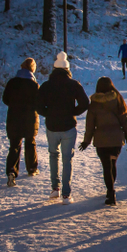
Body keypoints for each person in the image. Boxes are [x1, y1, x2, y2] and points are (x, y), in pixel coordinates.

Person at [36, 51, 89, 203]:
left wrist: (48, 113)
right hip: (68, 127)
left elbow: (38, 106)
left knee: (53, 155)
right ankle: (66, 194)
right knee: (67, 159)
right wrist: (73, 112)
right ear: (67, 69)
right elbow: (85, 103)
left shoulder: (46, 86)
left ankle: (54, 189)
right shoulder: (74, 85)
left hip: (52, 126)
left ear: (54, 69)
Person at [79, 77, 127, 206]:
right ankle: (111, 190)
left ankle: (110, 191)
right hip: (116, 140)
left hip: (101, 140)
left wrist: (86, 141)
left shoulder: (94, 104)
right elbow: (126, 121)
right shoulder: (118, 100)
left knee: (106, 166)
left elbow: (90, 125)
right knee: (112, 163)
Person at [2, 57, 39, 186]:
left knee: (14, 145)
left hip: (14, 118)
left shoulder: (12, 82)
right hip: (30, 118)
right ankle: (32, 168)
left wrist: (14, 106)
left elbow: (5, 99)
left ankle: (12, 171)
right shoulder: (34, 84)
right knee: (30, 143)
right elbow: (38, 102)